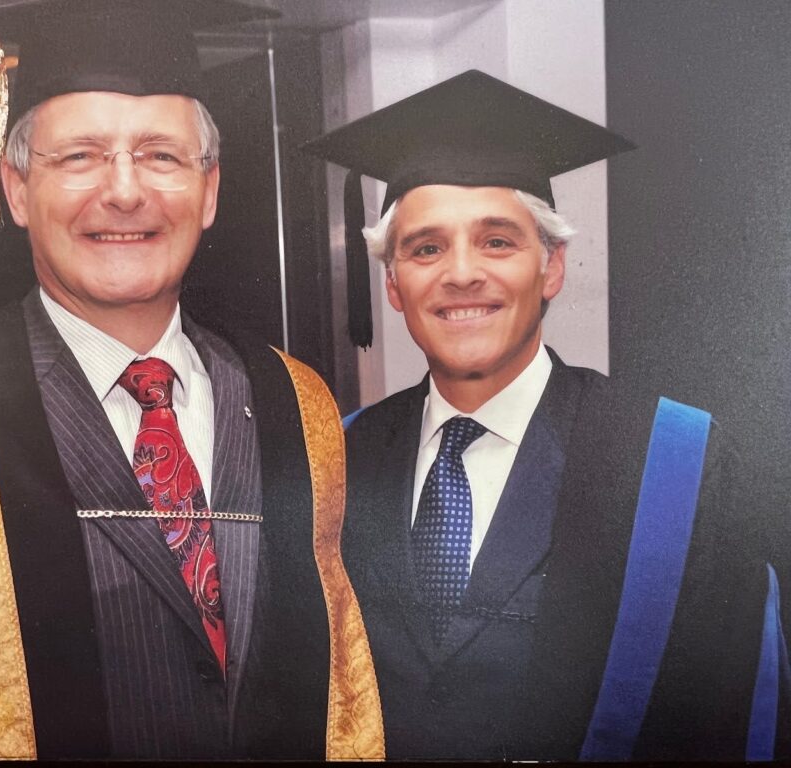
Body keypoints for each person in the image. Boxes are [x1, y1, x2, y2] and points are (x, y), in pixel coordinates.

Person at [0, 1, 381, 761]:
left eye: (162, 156)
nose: (125, 191)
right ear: (16, 188)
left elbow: (346, 702)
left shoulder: (294, 402)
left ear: (209, 190)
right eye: (80, 157)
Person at [303, 69, 789, 761]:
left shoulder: (672, 458)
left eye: (498, 241)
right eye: (426, 248)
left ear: (552, 266)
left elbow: (737, 712)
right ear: (393, 282)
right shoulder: (339, 456)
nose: (462, 273)